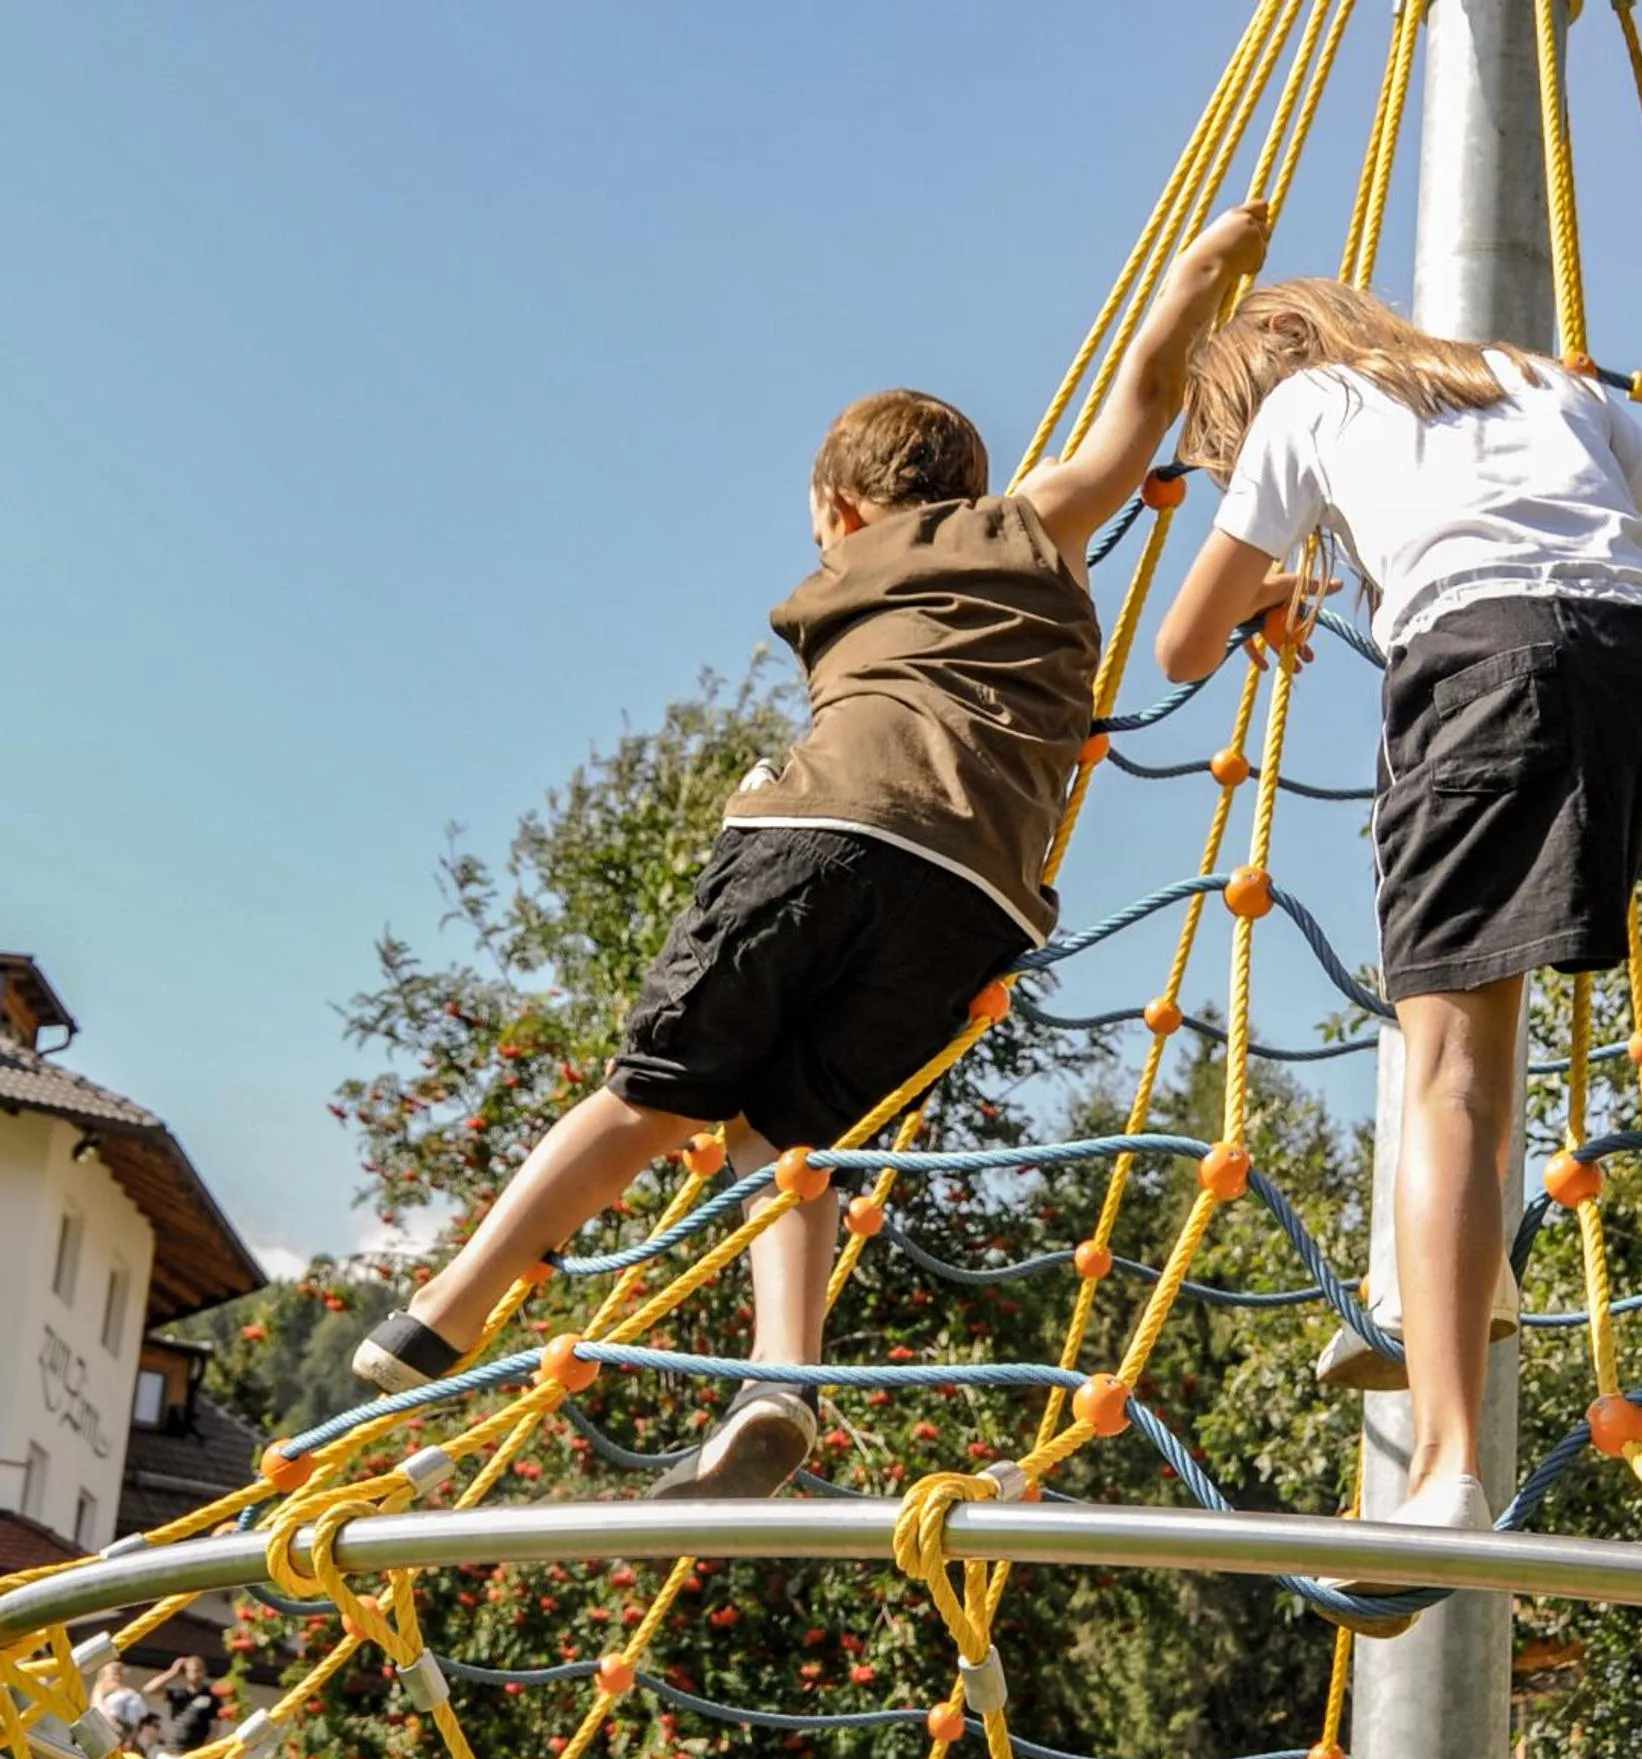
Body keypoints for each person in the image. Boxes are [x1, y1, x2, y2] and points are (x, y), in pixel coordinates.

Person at [355, 202, 1277, 1500]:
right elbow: (1139, 399)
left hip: (823, 830)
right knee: (788, 1136)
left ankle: (449, 1302)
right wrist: (1197, 276)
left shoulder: (855, 561)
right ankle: (780, 1381)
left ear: (837, 510)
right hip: (978, 901)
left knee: (652, 1093)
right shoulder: (1034, 524)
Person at [1157, 278, 1642, 1568]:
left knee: (1451, 1068)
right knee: (1470, 1012)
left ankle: (1441, 1465)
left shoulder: (1308, 405)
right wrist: (1627, 563)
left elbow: (1177, 646)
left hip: (1482, 663)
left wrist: (1276, 590)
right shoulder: (1551, 381)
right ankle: (1452, 1281)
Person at [145, 1655, 217, 1759]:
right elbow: (149, 1689)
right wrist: (173, 1672)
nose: (197, 1674)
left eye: (200, 1670)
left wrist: (205, 1751)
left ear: (205, 1671)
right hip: (171, 1753)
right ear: (186, 1673)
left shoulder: (211, 1696)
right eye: (193, 1670)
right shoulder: (178, 1693)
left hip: (195, 1756)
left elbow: (215, 1728)